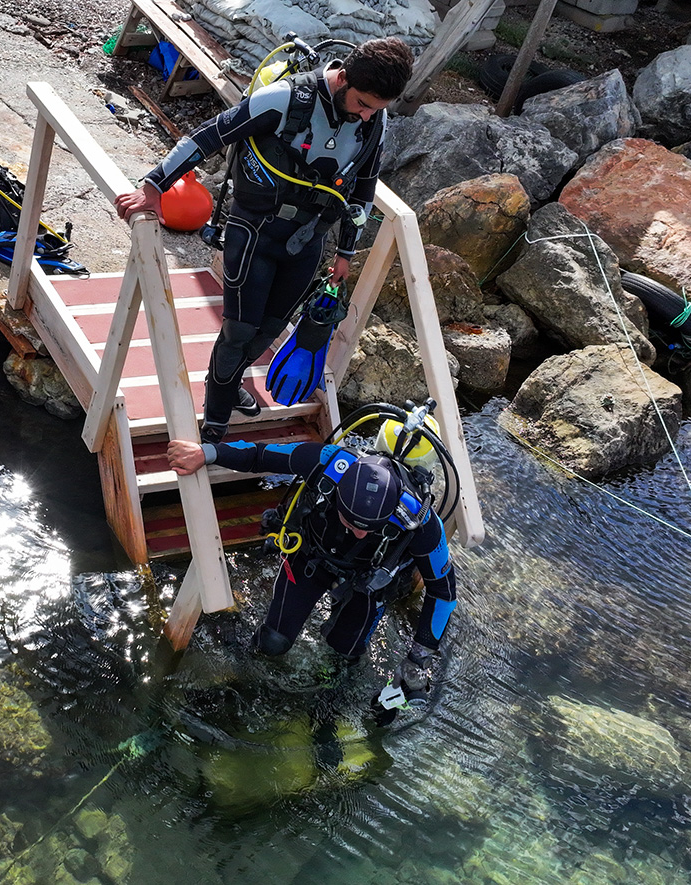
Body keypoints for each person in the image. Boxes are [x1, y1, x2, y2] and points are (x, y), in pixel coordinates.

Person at [115, 38, 414, 444]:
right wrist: (154, 185)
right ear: (342, 77)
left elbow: (362, 192)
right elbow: (210, 136)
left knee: (268, 331)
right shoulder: (284, 99)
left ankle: (228, 381)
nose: (365, 116)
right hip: (254, 230)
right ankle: (216, 417)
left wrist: (345, 252)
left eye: (375, 110)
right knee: (239, 330)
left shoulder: (372, 123)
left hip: (307, 242)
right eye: (362, 103)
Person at [166, 431, 457, 717]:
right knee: (273, 643)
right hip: (312, 558)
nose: (357, 532)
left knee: (342, 662)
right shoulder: (329, 463)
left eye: (368, 527)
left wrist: (418, 658)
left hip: (368, 584)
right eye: (349, 519)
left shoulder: (421, 522)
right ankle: (239, 683)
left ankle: (322, 721)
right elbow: (260, 454)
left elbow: (443, 591)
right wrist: (207, 453)